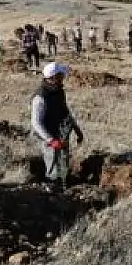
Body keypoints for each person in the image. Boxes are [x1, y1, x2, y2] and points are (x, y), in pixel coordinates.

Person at [30, 61, 85, 190]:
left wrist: (77, 130)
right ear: (52, 78)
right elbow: (36, 123)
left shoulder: (59, 91)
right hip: (48, 136)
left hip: (61, 133)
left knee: (64, 161)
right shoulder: (40, 98)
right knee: (53, 164)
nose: (63, 78)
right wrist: (51, 140)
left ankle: (64, 182)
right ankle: (54, 191)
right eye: (60, 76)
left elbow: (65, 111)